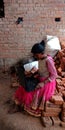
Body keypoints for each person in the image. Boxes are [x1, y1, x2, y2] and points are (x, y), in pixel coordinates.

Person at [8, 40, 57, 117]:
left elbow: (54, 75)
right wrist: (33, 73)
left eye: (36, 55)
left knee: (30, 92)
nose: (35, 57)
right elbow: (41, 69)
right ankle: (17, 103)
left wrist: (43, 83)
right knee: (24, 87)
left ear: (41, 53)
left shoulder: (48, 60)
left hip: (47, 82)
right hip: (40, 78)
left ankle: (20, 106)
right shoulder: (40, 58)